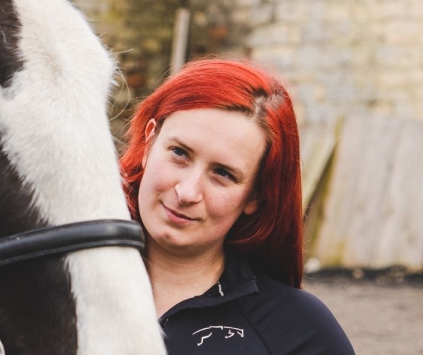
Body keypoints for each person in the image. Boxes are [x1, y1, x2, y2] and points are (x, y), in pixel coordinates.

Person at [120, 59, 355, 354]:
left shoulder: (298, 332)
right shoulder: (55, 280)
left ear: (255, 197)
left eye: (223, 174)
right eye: (179, 153)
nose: (187, 192)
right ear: (149, 141)